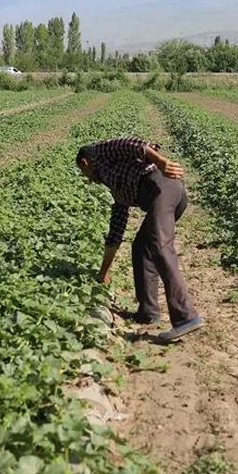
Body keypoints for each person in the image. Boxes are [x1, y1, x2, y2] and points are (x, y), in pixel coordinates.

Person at [76, 136, 204, 342]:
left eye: (83, 173)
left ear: (85, 163)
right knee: (140, 247)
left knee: (159, 245)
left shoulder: (100, 152)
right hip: (161, 195)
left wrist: (161, 162)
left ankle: (186, 317)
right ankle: (148, 312)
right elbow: (115, 233)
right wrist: (103, 272)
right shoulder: (114, 184)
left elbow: (131, 144)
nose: (86, 177)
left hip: (162, 186)